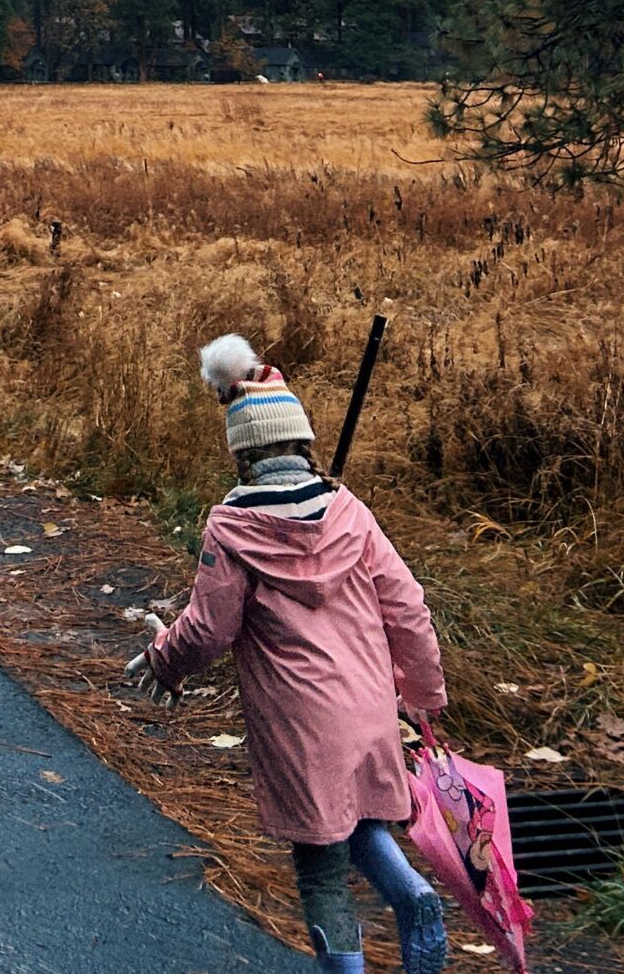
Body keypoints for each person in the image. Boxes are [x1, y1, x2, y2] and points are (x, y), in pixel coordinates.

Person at [128, 335, 450, 974]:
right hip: (370, 710)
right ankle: (413, 895)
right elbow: (408, 609)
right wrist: (422, 697)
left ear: (241, 452)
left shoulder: (234, 525)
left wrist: (164, 660)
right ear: (302, 441)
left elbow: (209, 630)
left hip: (302, 726)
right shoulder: (350, 512)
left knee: (321, 874)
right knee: (360, 825)